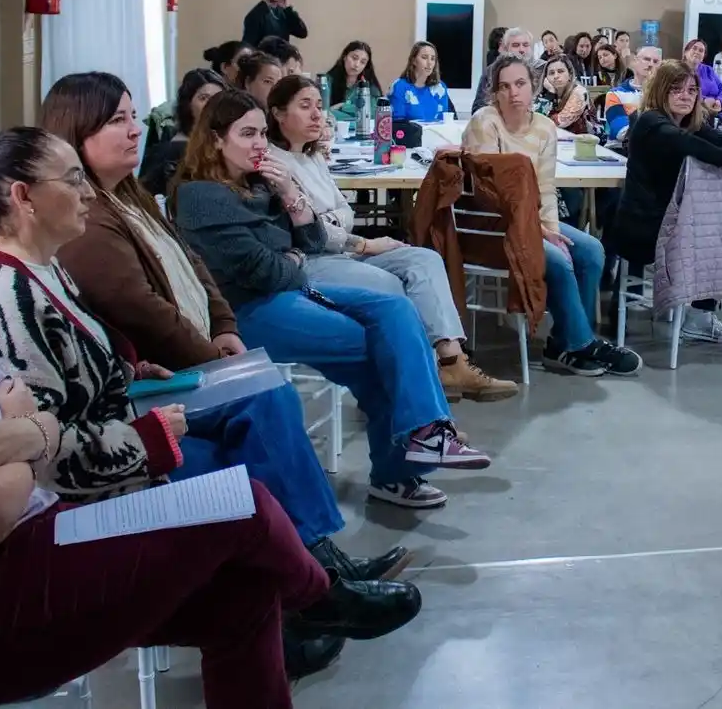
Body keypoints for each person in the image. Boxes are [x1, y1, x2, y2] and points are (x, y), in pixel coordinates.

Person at [0, 141, 398, 709]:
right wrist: (34, 435)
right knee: (244, 505)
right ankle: (320, 594)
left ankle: (314, 582)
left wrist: (20, 431)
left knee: (245, 588)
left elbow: (16, 399)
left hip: (29, 532)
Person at [171, 89, 490, 509]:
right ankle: (403, 463)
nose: (259, 144)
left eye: (263, 133)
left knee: (397, 309)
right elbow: (264, 270)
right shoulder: (201, 196)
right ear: (214, 139)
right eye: (247, 134)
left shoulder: (261, 183)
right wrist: (294, 256)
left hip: (289, 292)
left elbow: (316, 239)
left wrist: (290, 194)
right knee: (377, 346)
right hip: (245, 312)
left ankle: (426, 435)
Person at [265, 76, 517, 402]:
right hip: (311, 260)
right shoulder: (275, 165)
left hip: (341, 250)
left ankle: (453, 361)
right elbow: (312, 234)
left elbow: (345, 213)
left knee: (424, 259)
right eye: (304, 106)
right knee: (390, 284)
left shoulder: (312, 157)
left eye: (318, 105)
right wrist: (363, 243)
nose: (317, 114)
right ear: (278, 114)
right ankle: (416, 383)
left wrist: (331, 224)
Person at [463, 55, 641, 378]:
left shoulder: (545, 128)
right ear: (495, 93)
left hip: (531, 223)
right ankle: (583, 343)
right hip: (491, 228)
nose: (513, 93)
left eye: (520, 84)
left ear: (534, 88)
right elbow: (489, 195)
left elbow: (545, 188)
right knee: (556, 261)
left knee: (590, 250)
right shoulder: (484, 122)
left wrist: (550, 230)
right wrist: (536, 232)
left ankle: (562, 344)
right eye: (504, 87)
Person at [612, 61, 722, 354]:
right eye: (676, 90)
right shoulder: (648, 121)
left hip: (670, 224)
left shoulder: (683, 123)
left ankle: (701, 316)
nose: (685, 96)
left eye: (692, 90)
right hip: (643, 231)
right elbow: (684, 142)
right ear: (660, 91)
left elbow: (714, 136)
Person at [139, 68, 224, 196]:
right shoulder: (173, 151)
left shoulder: (233, 144)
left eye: (218, 98)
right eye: (204, 98)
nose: (212, 104)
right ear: (188, 105)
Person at [605, 46, 663, 142]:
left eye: (656, 62)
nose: (651, 64)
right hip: (621, 150)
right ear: (635, 61)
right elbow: (621, 132)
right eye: (647, 59)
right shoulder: (615, 94)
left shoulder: (664, 95)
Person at [472, 27, 536, 112]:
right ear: (505, 49)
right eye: (516, 45)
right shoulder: (491, 72)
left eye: (525, 45)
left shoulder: (540, 72)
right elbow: (478, 109)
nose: (521, 50)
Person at [390, 41, 452, 123]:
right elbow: (397, 122)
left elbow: (443, 120)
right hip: (409, 134)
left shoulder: (440, 88)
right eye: (424, 57)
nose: (429, 63)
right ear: (414, 61)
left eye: (433, 59)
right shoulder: (399, 86)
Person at [326, 40, 383, 120]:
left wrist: (342, 106)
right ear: (344, 57)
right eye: (354, 58)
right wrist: (356, 113)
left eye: (362, 62)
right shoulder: (327, 81)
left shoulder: (368, 85)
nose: (357, 65)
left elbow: (373, 113)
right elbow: (322, 113)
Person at [535, 55, 591, 133]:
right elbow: (535, 121)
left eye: (560, 71)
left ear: (570, 75)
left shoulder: (580, 92)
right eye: (551, 73)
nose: (556, 76)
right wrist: (550, 93)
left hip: (584, 140)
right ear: (545, 78)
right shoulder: (546, 92)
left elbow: (560, 122)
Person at [682, 38, 722, 123]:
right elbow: (685, 93)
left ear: (703, 56)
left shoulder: (709, 70)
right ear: (685, 52)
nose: (697, 52)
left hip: (717, 113)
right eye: (694, 48)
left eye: (701, 50)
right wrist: (704, 101)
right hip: (695, 114)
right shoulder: (679, 70)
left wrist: (719, 101)